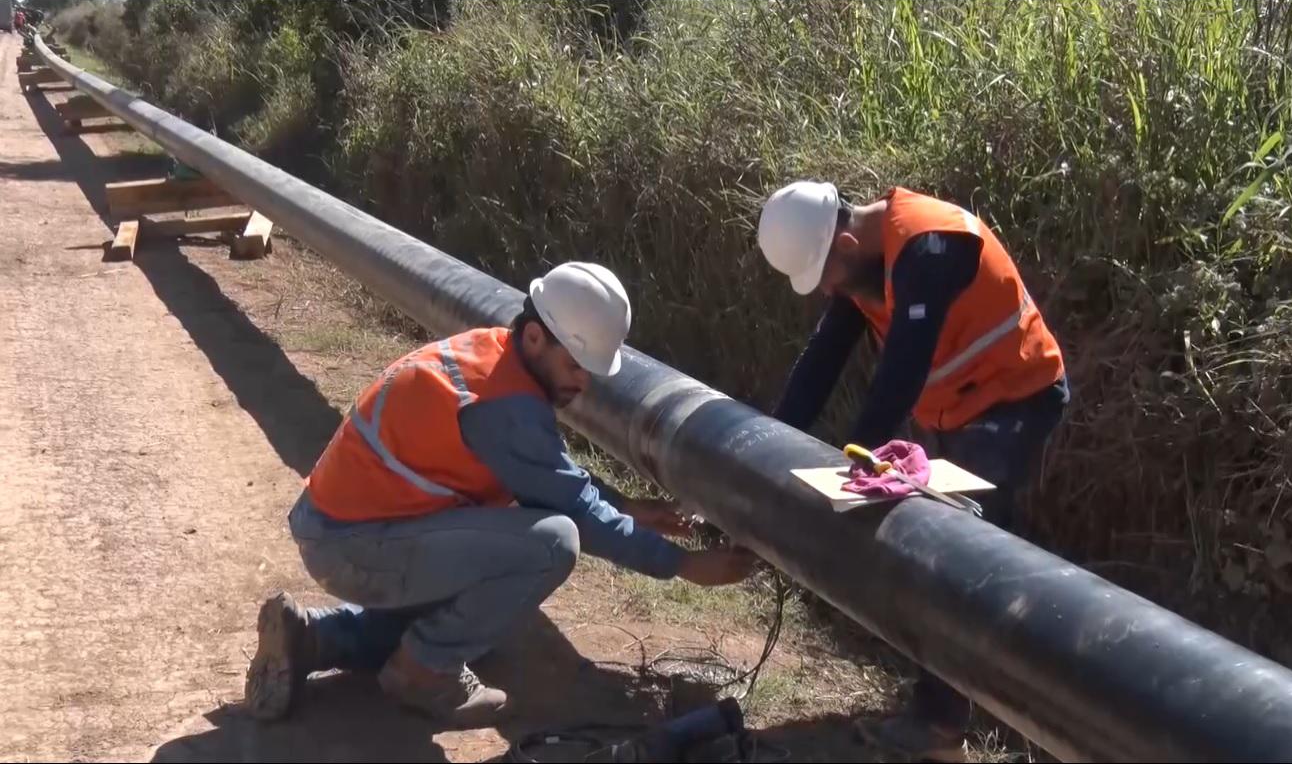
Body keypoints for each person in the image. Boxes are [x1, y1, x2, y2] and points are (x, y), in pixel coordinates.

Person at [245, 261, 757, 729]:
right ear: (536, 337)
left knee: (479, 617)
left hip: (350, 529)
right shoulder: (503, 405)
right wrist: (684, 565)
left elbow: (549, 475)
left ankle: (312, 636)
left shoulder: (494, 355)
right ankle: (422, 673)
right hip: (351, 546)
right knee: (552, 542)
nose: (583, 383)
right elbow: (571, 508)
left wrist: (627, 507)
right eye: (576, 365)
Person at [757, 182, 1070, 761]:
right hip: (962, 406)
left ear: (846, 244)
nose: (828, 291)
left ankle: (945, 722)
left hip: (1016, 397)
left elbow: (897, 379)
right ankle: (990, 683)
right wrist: (765, 447)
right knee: (975, 543)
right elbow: (821, 361)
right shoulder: (866, 261)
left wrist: (850, 468)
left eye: (827, 277)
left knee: (958, 549)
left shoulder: (928, 249)